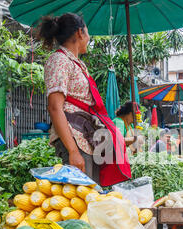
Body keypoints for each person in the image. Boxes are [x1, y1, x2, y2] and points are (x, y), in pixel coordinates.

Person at [40, 13, 131, 186]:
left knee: (91, 196)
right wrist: (72, 150)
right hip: (74, 140)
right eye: (88, 33)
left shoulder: (75, 63)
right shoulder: (59, 60)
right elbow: (54, 108)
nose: (89, 38)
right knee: (80, 199)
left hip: (86, 138)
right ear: (80, 33)